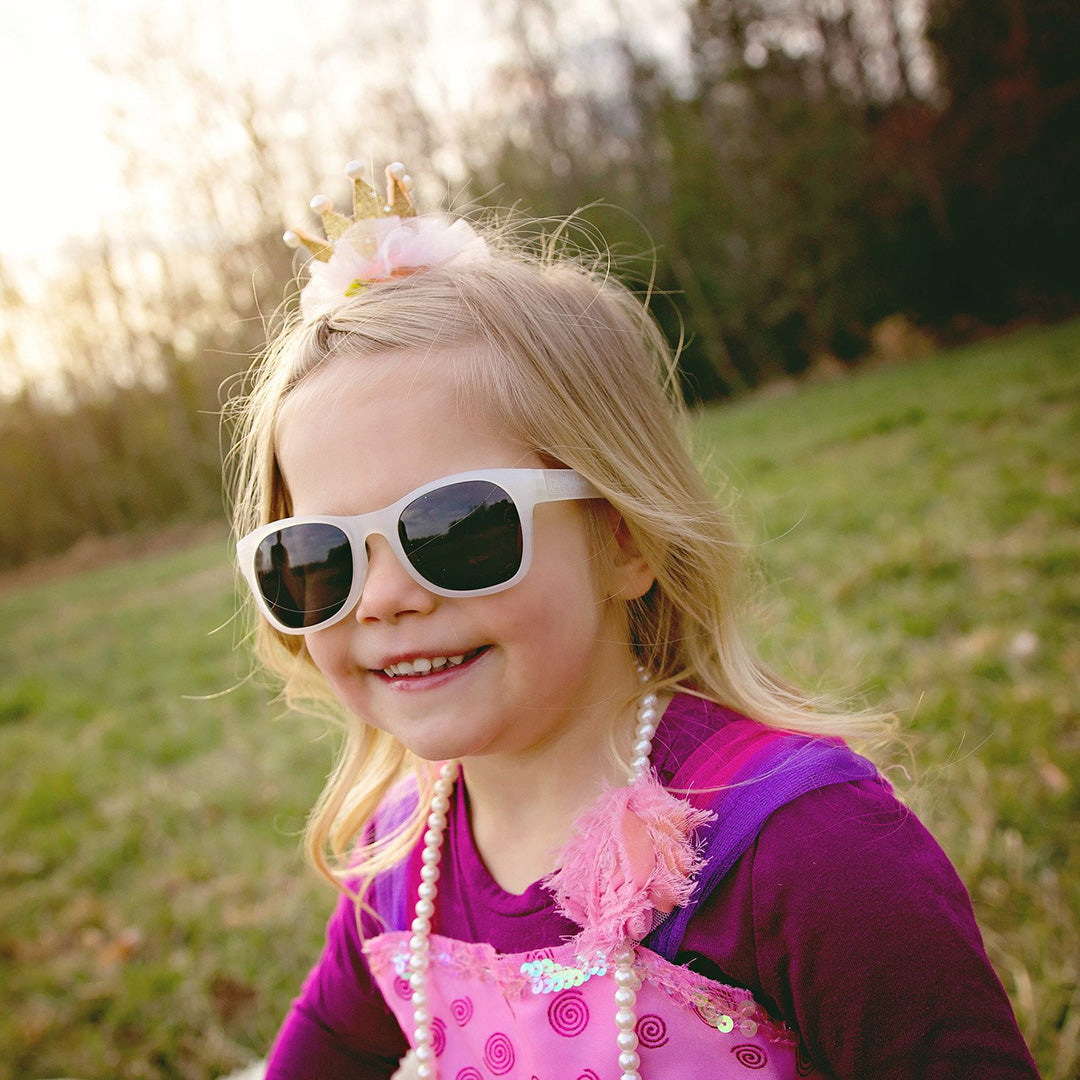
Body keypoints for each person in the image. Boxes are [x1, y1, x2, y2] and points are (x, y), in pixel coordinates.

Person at [230, 162, 1040, 1080]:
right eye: (317, 557)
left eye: (456, 527)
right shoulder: (402, 864)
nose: (381, 599)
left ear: (622, 538)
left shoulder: (809, 848)